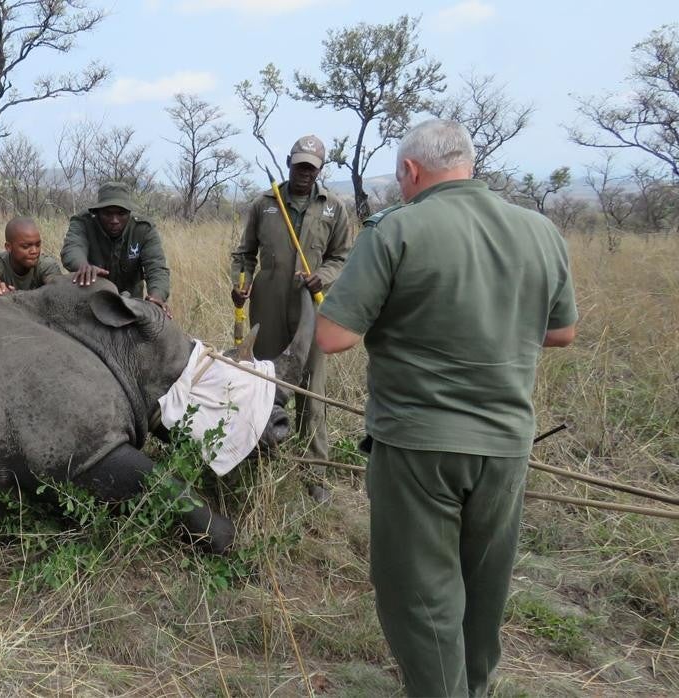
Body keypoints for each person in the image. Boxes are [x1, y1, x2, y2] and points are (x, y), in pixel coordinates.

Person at [315, 119, 578, 697]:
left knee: (421, 596)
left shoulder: (396, 230)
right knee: (483, 590)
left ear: (411, 171)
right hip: (507, 445)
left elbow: (332, 337)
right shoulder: (539, 230)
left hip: (418, 445)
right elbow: (562, 333)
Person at [229, 135, 355, 503]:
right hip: (266, 305)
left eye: (311, 167)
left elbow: (343, 258)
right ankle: (256, 464)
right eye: (299, 165)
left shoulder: (334, 208)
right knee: (262, 383)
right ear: (288, 161)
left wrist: (324, 276)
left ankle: (313, 474)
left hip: (312, 310)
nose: (304, 173)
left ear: (320, 170)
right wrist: (241, 284)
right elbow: (244, 254)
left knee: (311, 391)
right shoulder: (264, 204)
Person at [61, 182, 171, 315]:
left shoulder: (143, 229)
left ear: (129, 213)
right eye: (107, 214)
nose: (114, 220)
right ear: (97, 212)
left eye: (121, 214)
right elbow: (72, 247)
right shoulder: (84, 222)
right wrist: (82, 266)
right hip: (90, 300)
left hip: (132, 304)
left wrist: (156, 297)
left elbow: (156, 267)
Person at [0, 217, 62, 295]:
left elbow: (57, 289)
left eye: (38, 245)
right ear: (8, 247)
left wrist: (17, 296)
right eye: (26, 246)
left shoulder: (46, 264)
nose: (34, 251)